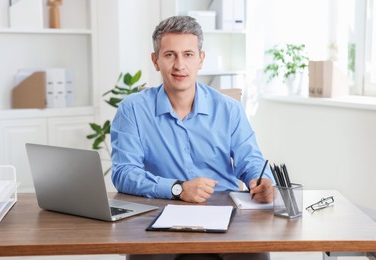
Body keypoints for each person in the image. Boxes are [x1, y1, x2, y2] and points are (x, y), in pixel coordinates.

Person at [111, 15, 274, 260]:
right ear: (155, 61)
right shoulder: (132, 109)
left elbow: (249, 160)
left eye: (188, 54)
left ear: (201, 59)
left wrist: (262, 181)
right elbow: (124, 172)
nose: (179, 65)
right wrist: (177, 189)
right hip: (159, 214)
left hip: (225, 215)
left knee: (255, 254)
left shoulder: (229, 109)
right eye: (170, 55)